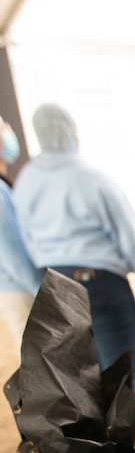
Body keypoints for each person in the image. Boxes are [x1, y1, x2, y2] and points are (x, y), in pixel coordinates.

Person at [14, 104, 135, 385]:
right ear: (71, 129)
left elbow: (24, 244)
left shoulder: (26, 181)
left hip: (54, 289)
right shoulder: (91, 177)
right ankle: (120, 430)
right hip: (100, 287)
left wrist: (41, 291)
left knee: (81, 386)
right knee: (119, 387)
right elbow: (132, 242)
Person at [0, 119, 41, 352]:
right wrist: (40, 290)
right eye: (3, 128)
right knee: (36, 360)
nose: (8, 131)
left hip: (17, 286)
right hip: (19, 289)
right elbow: (10, 254)